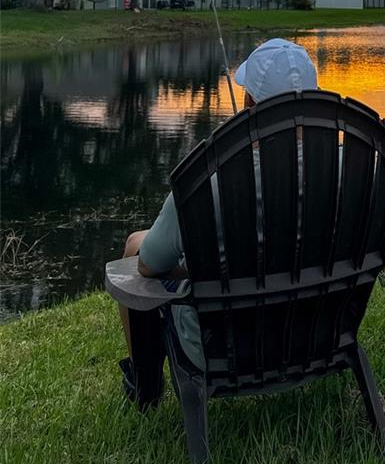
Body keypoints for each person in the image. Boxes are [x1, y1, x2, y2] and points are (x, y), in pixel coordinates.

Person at [117, 38, 318, 406]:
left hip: (220, 346)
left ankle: (144, 386)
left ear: (249, 103)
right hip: (317, 333)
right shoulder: (343, 166)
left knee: (135, 248)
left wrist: (198, 269)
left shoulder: (207, 178)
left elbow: (149, 265)